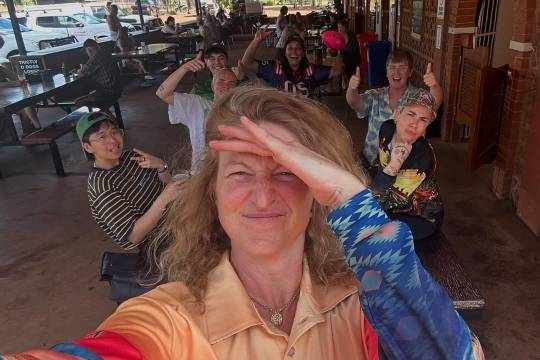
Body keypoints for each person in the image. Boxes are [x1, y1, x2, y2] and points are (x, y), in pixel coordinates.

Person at [2, 86, 484, 359]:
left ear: (318, 192)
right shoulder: (169, 321)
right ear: (210, 193)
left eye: (287, 170)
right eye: (240, 172)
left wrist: (353, 201)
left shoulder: (365, 304)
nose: (261, 192)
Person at [76, 111, 181, 262]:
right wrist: (163, 200)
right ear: (88, 147)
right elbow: (134, 235)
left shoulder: (130, 157)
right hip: (159, 243)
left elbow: (168, 186)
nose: (112, 140)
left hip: (177, 220)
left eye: (114, 132)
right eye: (102, 137)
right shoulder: (101, 186)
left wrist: (161, 166)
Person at [370, 88, 444, 240]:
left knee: (366, 229)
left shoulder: (422, 158)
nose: (414, 124)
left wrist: (394, 166)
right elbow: (378, 164)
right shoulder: (387, 128)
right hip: (387, 198)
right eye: (411, 114)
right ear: (397, 114)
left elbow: (376, 206)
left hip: (418, 218)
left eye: (423, 120)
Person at [346, 49, 443, 165]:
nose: (396, 72)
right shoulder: (375, 95)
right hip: (371, 162)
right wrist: (352, 88)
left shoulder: (417, 97)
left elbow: (434, 102)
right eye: (392, 67)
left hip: (405, 166)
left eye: (402, 67)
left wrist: (434, 86)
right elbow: (355, 103)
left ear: (410, 72)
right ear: (386, 72)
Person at [156, 53, 237, 170]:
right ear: (212, 85)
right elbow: (162, 93)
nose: (226, 86)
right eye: (221, 81)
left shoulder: (240, 110)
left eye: (231, 83)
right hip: (202, 169)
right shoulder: (197, 104)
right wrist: (184, 68)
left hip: (230, 168)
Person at [242, 29, 344, 97]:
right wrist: (256, 40)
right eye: (290, 48)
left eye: (298, 49)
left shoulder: (310, 71)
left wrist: (336, 52)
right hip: (281, 120)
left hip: (304, 118)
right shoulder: (274, 68)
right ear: (285, 53)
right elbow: (246, 63)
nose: (294, 52)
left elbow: (338, 70)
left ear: (303, 53)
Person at [76, 39, 123, 112]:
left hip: (109, 92)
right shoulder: (106, 53)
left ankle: (104, 117)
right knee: (98, 101)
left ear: (89, 50)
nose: (87, 54)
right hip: (118, 88)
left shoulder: (96, 57)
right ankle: (105, 115)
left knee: (79, 101)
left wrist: (79, 70)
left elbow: (81, 74)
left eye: (86, 52)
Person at [0, 63, 41, 135]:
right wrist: (13, 83)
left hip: (6, 100)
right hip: (2, 104)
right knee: (25, 102)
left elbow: (16, 77)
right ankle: (38, 128)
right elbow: (15, 82)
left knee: (25, 105)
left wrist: (17, 68)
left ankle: (28, 133)